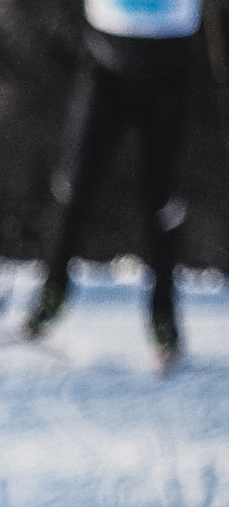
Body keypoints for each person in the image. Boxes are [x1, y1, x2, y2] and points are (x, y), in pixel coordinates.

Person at [24, 0, 208, 367]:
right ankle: (53, 290)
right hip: (105, 60)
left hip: (171, 62)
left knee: (163, 200)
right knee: (73, 185)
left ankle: (163, 314)